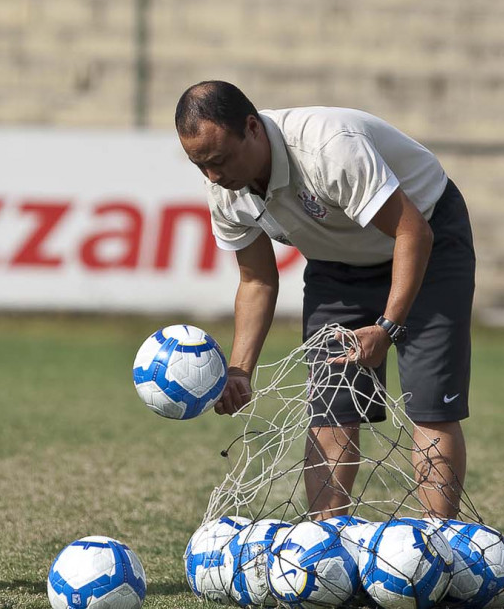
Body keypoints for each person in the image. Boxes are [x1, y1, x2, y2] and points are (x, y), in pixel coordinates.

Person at [175, 81, 476, 520]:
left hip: (426, 242)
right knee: (331, 408)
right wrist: (240, 369)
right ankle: (327, 547)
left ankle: (440, 546)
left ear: (253, 128)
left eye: (220, 160)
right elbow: (258, 280)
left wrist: (387, 327)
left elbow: (413, 232)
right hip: (336, 267)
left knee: (429, 405)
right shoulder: (224, 187)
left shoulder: (329, 149)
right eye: (200, 165)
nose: (214, 176)